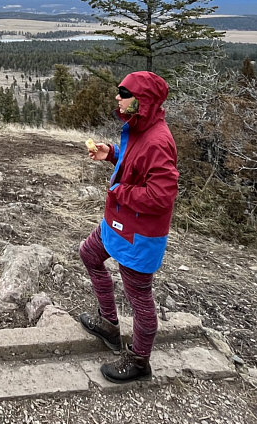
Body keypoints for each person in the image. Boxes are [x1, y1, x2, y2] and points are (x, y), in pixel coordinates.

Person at [78, 71, 179, 383]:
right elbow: (134, 162)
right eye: (119, 91)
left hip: (140, 234)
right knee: (89, 254)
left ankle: (139, 360)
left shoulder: (159, 141)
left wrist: (119, 191)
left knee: (139, 297)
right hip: (118, 223)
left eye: (124, 93)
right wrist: (111, 153)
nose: (117, 97)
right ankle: (109, 324)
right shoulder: (138, 128)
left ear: (143, 101)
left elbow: (161, 196)